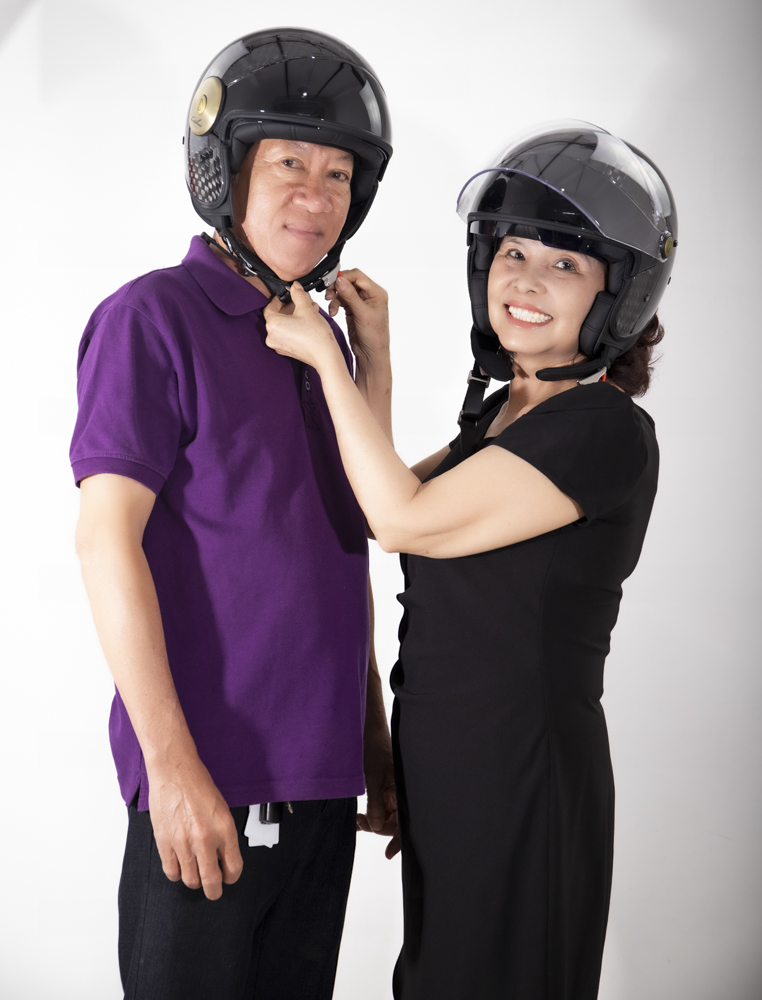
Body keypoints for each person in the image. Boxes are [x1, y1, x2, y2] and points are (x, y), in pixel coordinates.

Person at [263, 120, 678, 999]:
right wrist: (372, 357)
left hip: (522, 776)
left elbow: (402, 518)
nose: (525, 279)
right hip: (452, 773)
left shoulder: (602, 432)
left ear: (619, 297)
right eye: (513, 252)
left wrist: (325, 360)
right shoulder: (504, 418)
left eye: (565, 264)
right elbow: (381, 509)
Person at [70, 28, 397, 1000]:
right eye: (290, 162)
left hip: (324, 784)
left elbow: (344, 548)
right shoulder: (152, 317)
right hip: (209, 783)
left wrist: (370, 736)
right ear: (225, 170)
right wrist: (169, 767)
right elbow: (104, 540)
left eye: (338, 174)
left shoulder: (319, 342)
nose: (317, 196)